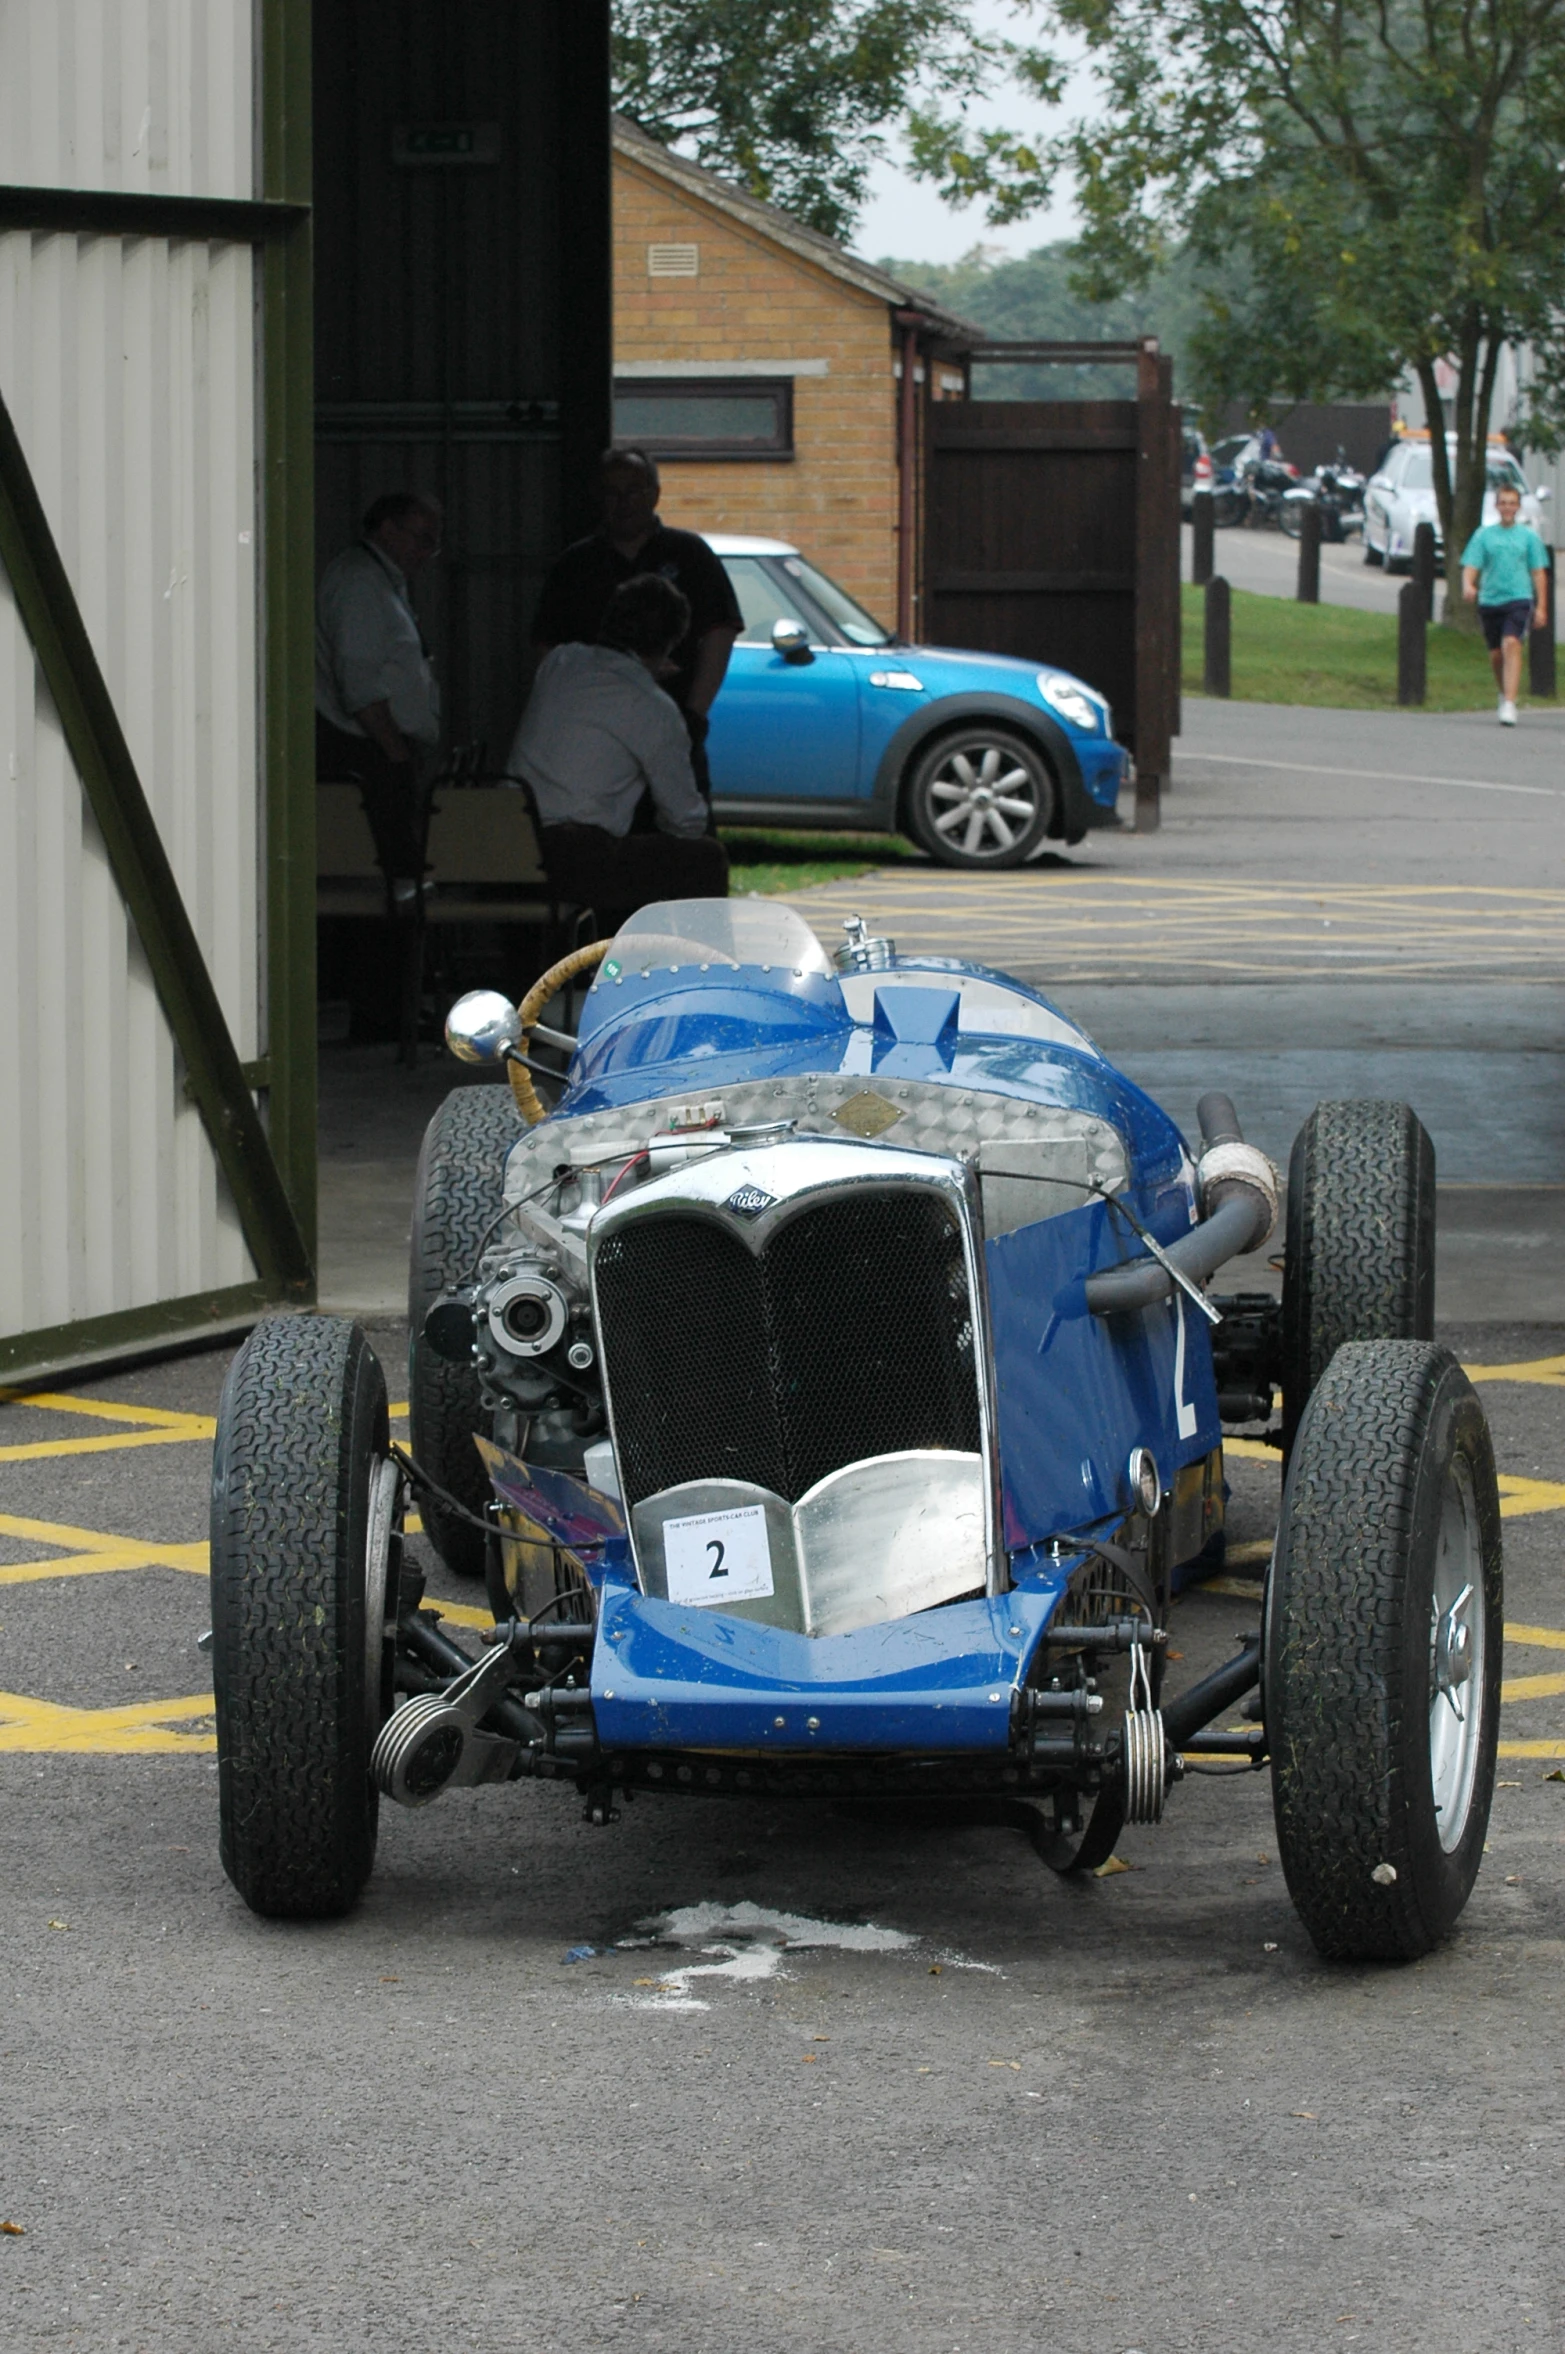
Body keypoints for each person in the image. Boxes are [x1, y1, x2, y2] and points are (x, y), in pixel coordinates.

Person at [508, 573, 729, 936]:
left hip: (510, 847)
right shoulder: (652, 705)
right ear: (672, 642)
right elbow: (684, 818)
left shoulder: (560, 662)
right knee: (704, 860)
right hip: (572, 857)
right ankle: (700, 975)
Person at [530, 448, 742, 799]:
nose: (623, 502)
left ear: (655, 494)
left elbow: (720, 634)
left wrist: (692, 716)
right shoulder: (575, 564)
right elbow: (546, 650)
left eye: (634, 490)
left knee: (681, 836)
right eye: (612, 492)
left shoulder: (691, 554)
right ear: (598, 498)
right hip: (595, 738)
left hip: (672, 727)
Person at [315, 491, 444, 896]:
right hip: (368, 754)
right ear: (387, 529)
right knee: (384, 885)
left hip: (379, 751)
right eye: (421, 538)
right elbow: (359, 683)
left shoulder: (381, 581)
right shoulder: (360, 583)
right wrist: (396, 756)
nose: (427, 552)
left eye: (432, 544)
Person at [1461, 482, 1549, 726]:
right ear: (1496, 505)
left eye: (1512, 503)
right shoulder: (1484, 535)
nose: (1508, 507)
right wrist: (1468, 585)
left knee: (1512, 643)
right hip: (1490, 600)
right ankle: (1503, 693)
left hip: (1519, 598)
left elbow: (1539, 573)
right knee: (1496, 655)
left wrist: (1541, 607)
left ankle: (1510, 703)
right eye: (1503, 503)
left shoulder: (1529, 537)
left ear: (1519, 506)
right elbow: (1471, 565)